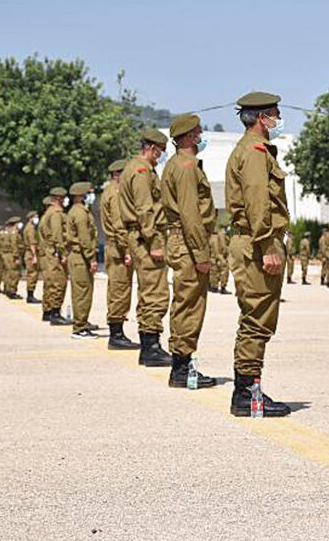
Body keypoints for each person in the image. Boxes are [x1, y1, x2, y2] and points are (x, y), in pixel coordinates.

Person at [225, 91, 292, 417]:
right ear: (262, 117)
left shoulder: (252, 151)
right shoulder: (253, 153)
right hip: (255, 244)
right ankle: (247, 394)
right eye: (275, 114)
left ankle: (247, 389)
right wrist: (267, 245)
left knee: (256, 318)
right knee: (256, 319)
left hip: (252, 241)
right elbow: (257, 203)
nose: (278, 120)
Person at [161, 114, 219, 388]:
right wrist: (202, 255)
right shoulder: (185, 167)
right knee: (190, 304)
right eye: (197, 131)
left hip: (182, 241)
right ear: (187, 136)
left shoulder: (177, 164)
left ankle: (181, 364)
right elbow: (191, 215)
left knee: (184, 303)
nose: (201, 135)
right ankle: (182, 367)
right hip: (188, 242)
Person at [119, 129, 172, 367]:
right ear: (151, 148)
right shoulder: (141, 171)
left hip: (141, 236)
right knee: (155, 293)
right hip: (146, 238)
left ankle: (149, 345)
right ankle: (151, 348)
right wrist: (156, 243)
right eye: (159, 152)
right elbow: (145, 209)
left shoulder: (135, 169)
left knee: (148, 291)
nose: (159, 157)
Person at [101, 159, 140, 350]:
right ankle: (116, 335)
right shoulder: (116, 193)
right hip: (119, 250)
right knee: (120, 290)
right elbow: (119, 224)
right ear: (118, 174)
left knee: (117, 289)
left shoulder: (109, 191)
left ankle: (117, 332)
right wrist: (126, 250)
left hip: (115, 247)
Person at [65, 182, 99, 339]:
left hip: (79, 256)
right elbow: (84, 239)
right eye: (87, 194)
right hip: (81, 257)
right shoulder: (79, 213)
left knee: (82, 291)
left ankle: (82, 323)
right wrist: (91, 257)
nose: (90, 196)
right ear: (80, 195)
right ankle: (80, 328)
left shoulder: (78, 211)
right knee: (82, 292)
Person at [40, 188, 73, 325]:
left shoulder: (48, 213)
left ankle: (48, 312)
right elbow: (57, 235)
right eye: (64, 197)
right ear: (59, 198)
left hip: (49, 252)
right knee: (59, 282)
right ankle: (55, 313)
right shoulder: (56, 214)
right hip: (55, 254)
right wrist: (63, 253)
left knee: (50, 282)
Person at [22, 210, 42, 304]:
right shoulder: (30, 229)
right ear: (31, 218)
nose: (37, 218)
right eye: (36, 216)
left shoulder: (30, 227)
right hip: (31, 253)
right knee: (32, 275)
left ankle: (30, 295)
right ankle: (30, 296)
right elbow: (32, 244)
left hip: (30, 253)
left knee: (32, 274)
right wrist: (34, 256)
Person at [1, 217, 23, 299]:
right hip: (12, 255)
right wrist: (16, 257)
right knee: (14, 273)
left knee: (8, 273)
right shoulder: (14, 233)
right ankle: (12, 291)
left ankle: (7, 289)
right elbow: (14, 245)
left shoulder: (8, 232)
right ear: (16, 224)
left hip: (7, 254)